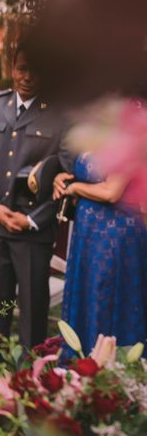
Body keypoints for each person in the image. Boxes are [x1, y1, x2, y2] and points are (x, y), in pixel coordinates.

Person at [0, 46, 68, 350]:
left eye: (36, 70)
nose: (27, 77)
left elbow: (66, 175)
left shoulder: (60, 114)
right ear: (11, 68)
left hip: (32, 231)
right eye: (22, 68)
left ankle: (32, 380)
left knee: (33, 313)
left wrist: (31, 219)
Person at [53, 151, 147, 355]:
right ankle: (82, 366)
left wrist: (75, 188)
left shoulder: (127, 141)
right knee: (88, 296)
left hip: (114, 234)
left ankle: (111, 369)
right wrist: (65, 177)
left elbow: (110, 192)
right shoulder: (94, 135)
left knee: (104, 299)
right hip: (88, 234)